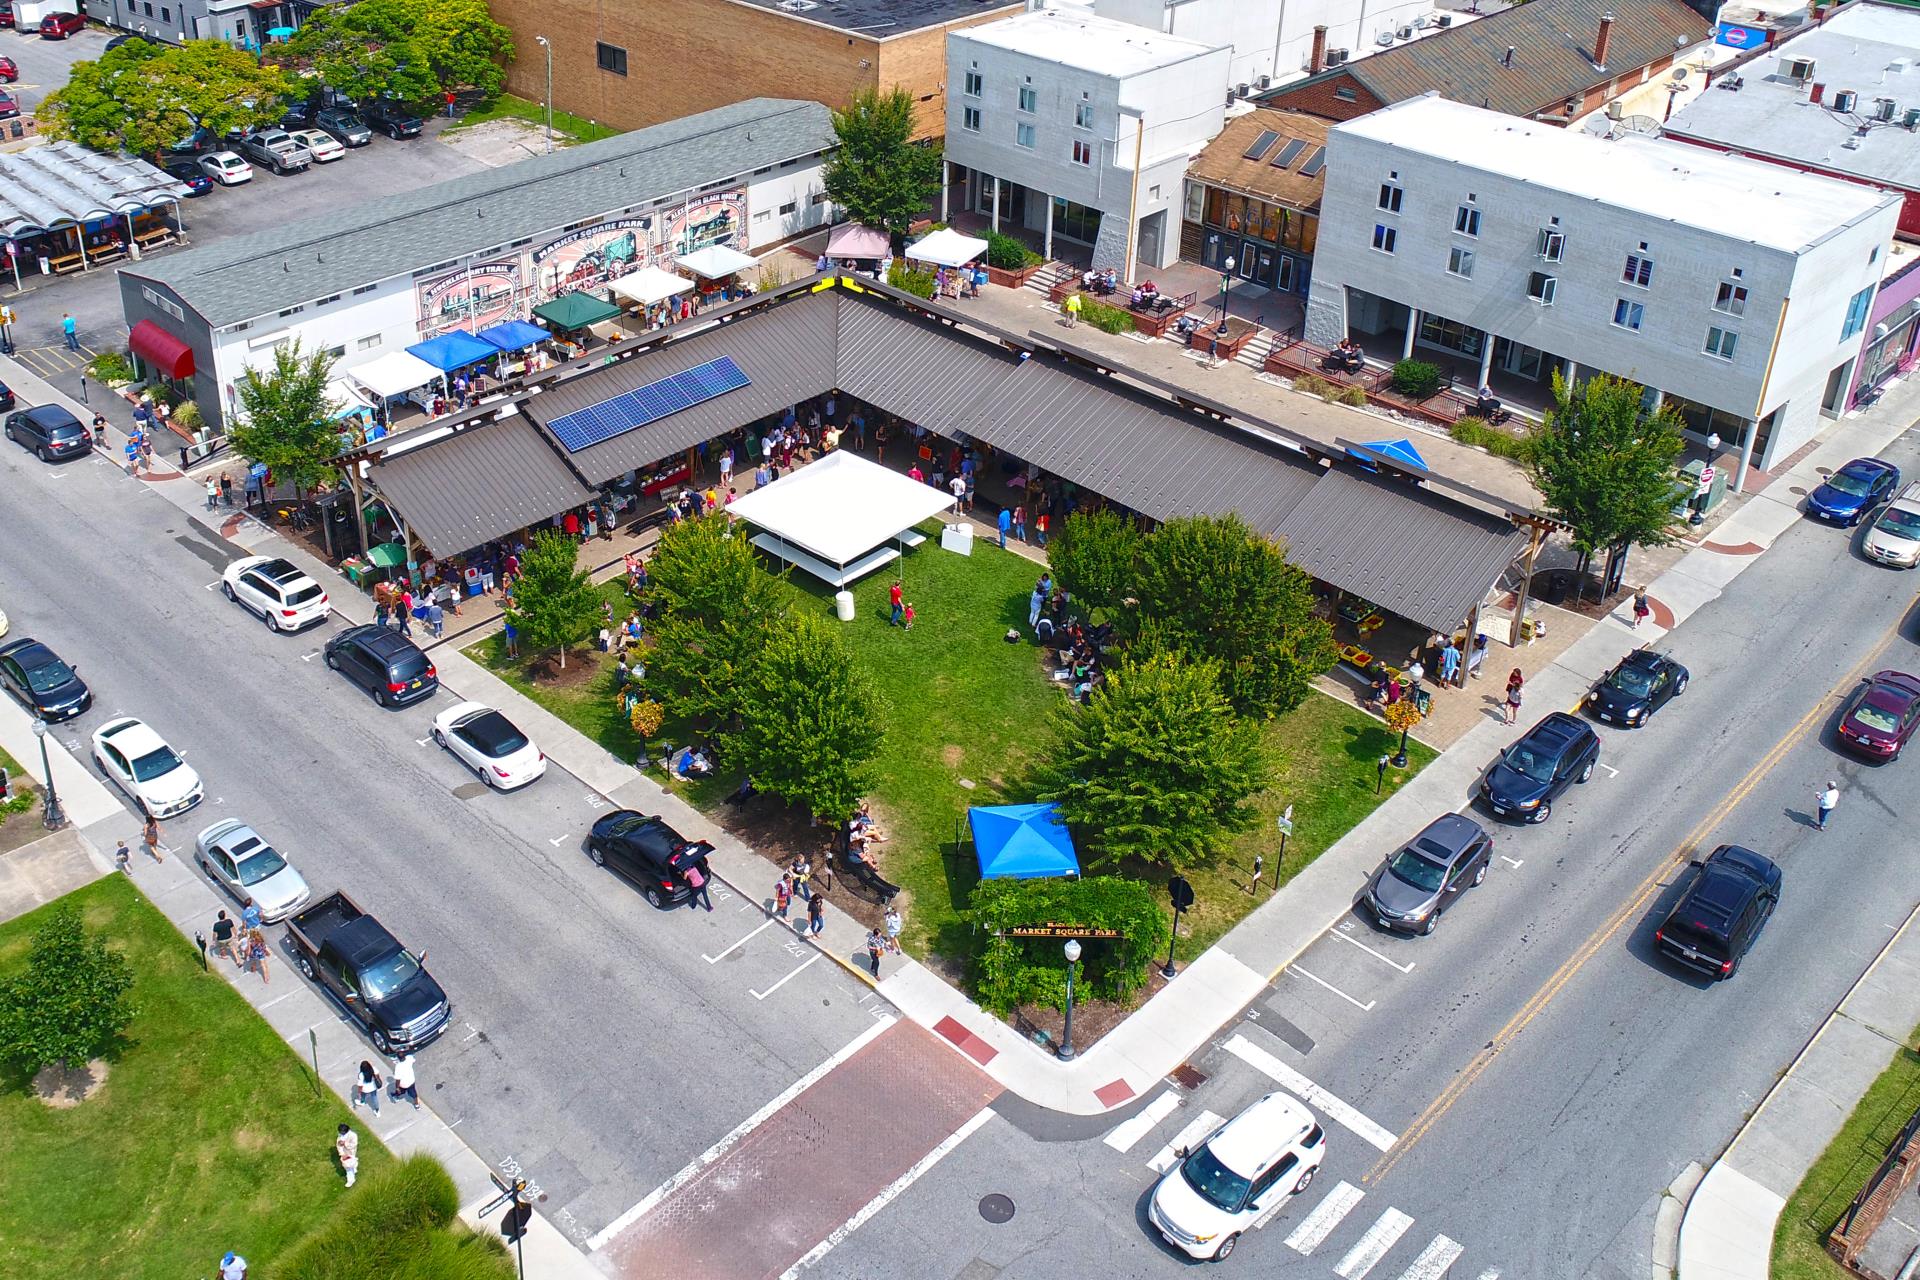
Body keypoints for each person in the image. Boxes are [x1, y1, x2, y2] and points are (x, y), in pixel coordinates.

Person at [336, 1123, 360, 1187]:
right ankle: (352, 1174)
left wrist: (345, 1143)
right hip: (344, 1153)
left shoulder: (353, 1135)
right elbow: (338, 1145)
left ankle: (351, 1180)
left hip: (351, 1153)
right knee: (348, 1166)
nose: (341, 1133)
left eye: (342, 1132)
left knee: (349, 1166)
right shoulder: (340, 1136)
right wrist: (342, 1154)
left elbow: (354, 1145)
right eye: (340, 1132)